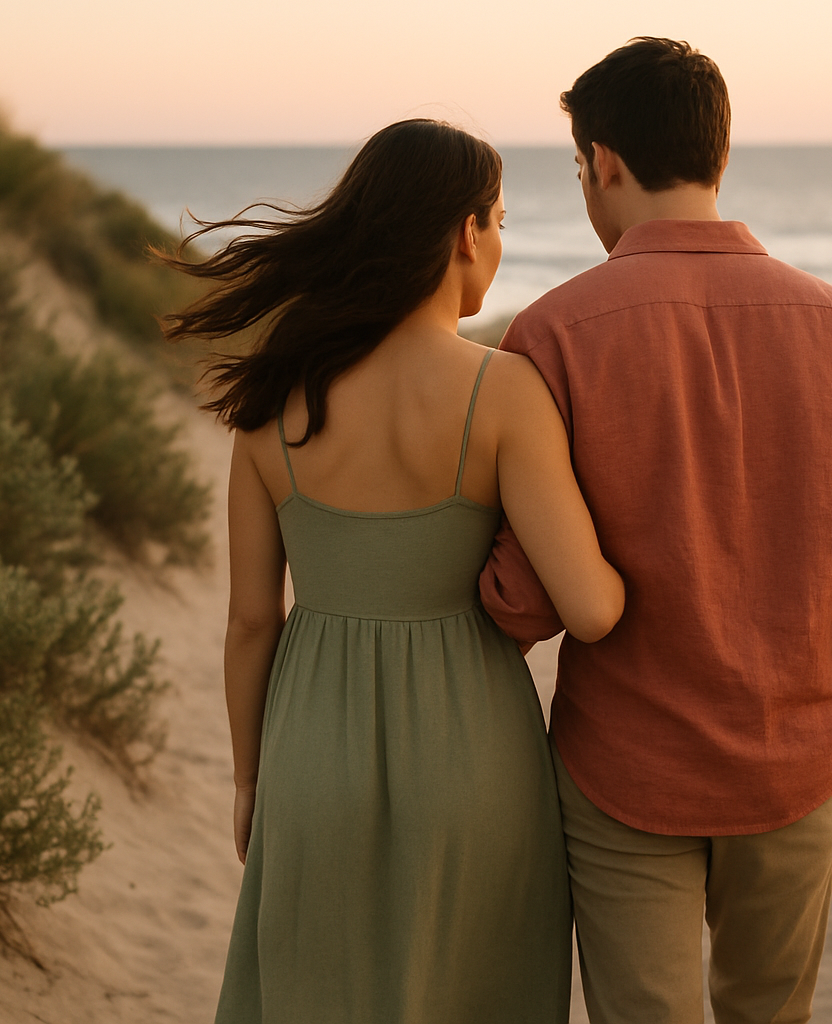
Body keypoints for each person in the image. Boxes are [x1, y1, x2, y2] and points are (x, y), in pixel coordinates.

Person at [478, 38, 832, 1024]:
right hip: (801, 760)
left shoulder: (552, 334)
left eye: (578, 170)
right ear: (716, 156)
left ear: (603, 160)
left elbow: (521, 600)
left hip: (620, 770)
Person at [158, 119, 625, 1024]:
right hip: (474, 759)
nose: (499, 241)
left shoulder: (269, 403)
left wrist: (253, 780)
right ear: (464, 233)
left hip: (308, 753)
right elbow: (593, 610)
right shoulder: (504, 391)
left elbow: (252, 622)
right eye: (499, 219)